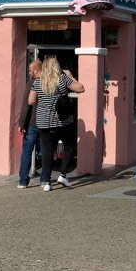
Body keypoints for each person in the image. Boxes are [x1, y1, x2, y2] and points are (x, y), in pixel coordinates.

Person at [28, 55, 85, 191]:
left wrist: (43, 99)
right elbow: (81, 88)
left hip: (43, 121)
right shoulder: (62, 79)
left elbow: (30, 101)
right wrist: (70, 76)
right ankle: (63, 174)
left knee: (47, 151)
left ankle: (47, 182)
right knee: (69, 145)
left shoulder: (38, 81)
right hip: (61, 120)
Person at [17, 59, 42, 188]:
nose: (30, 72)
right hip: (45, 123)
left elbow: (26, 105)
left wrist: (22, 123)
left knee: (27, 151)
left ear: (37, 71)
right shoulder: (49, 83)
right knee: (46, 151)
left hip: (32, 123)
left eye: (31, 70)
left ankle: (23, 181)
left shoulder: (32, 83)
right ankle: (44, 180)